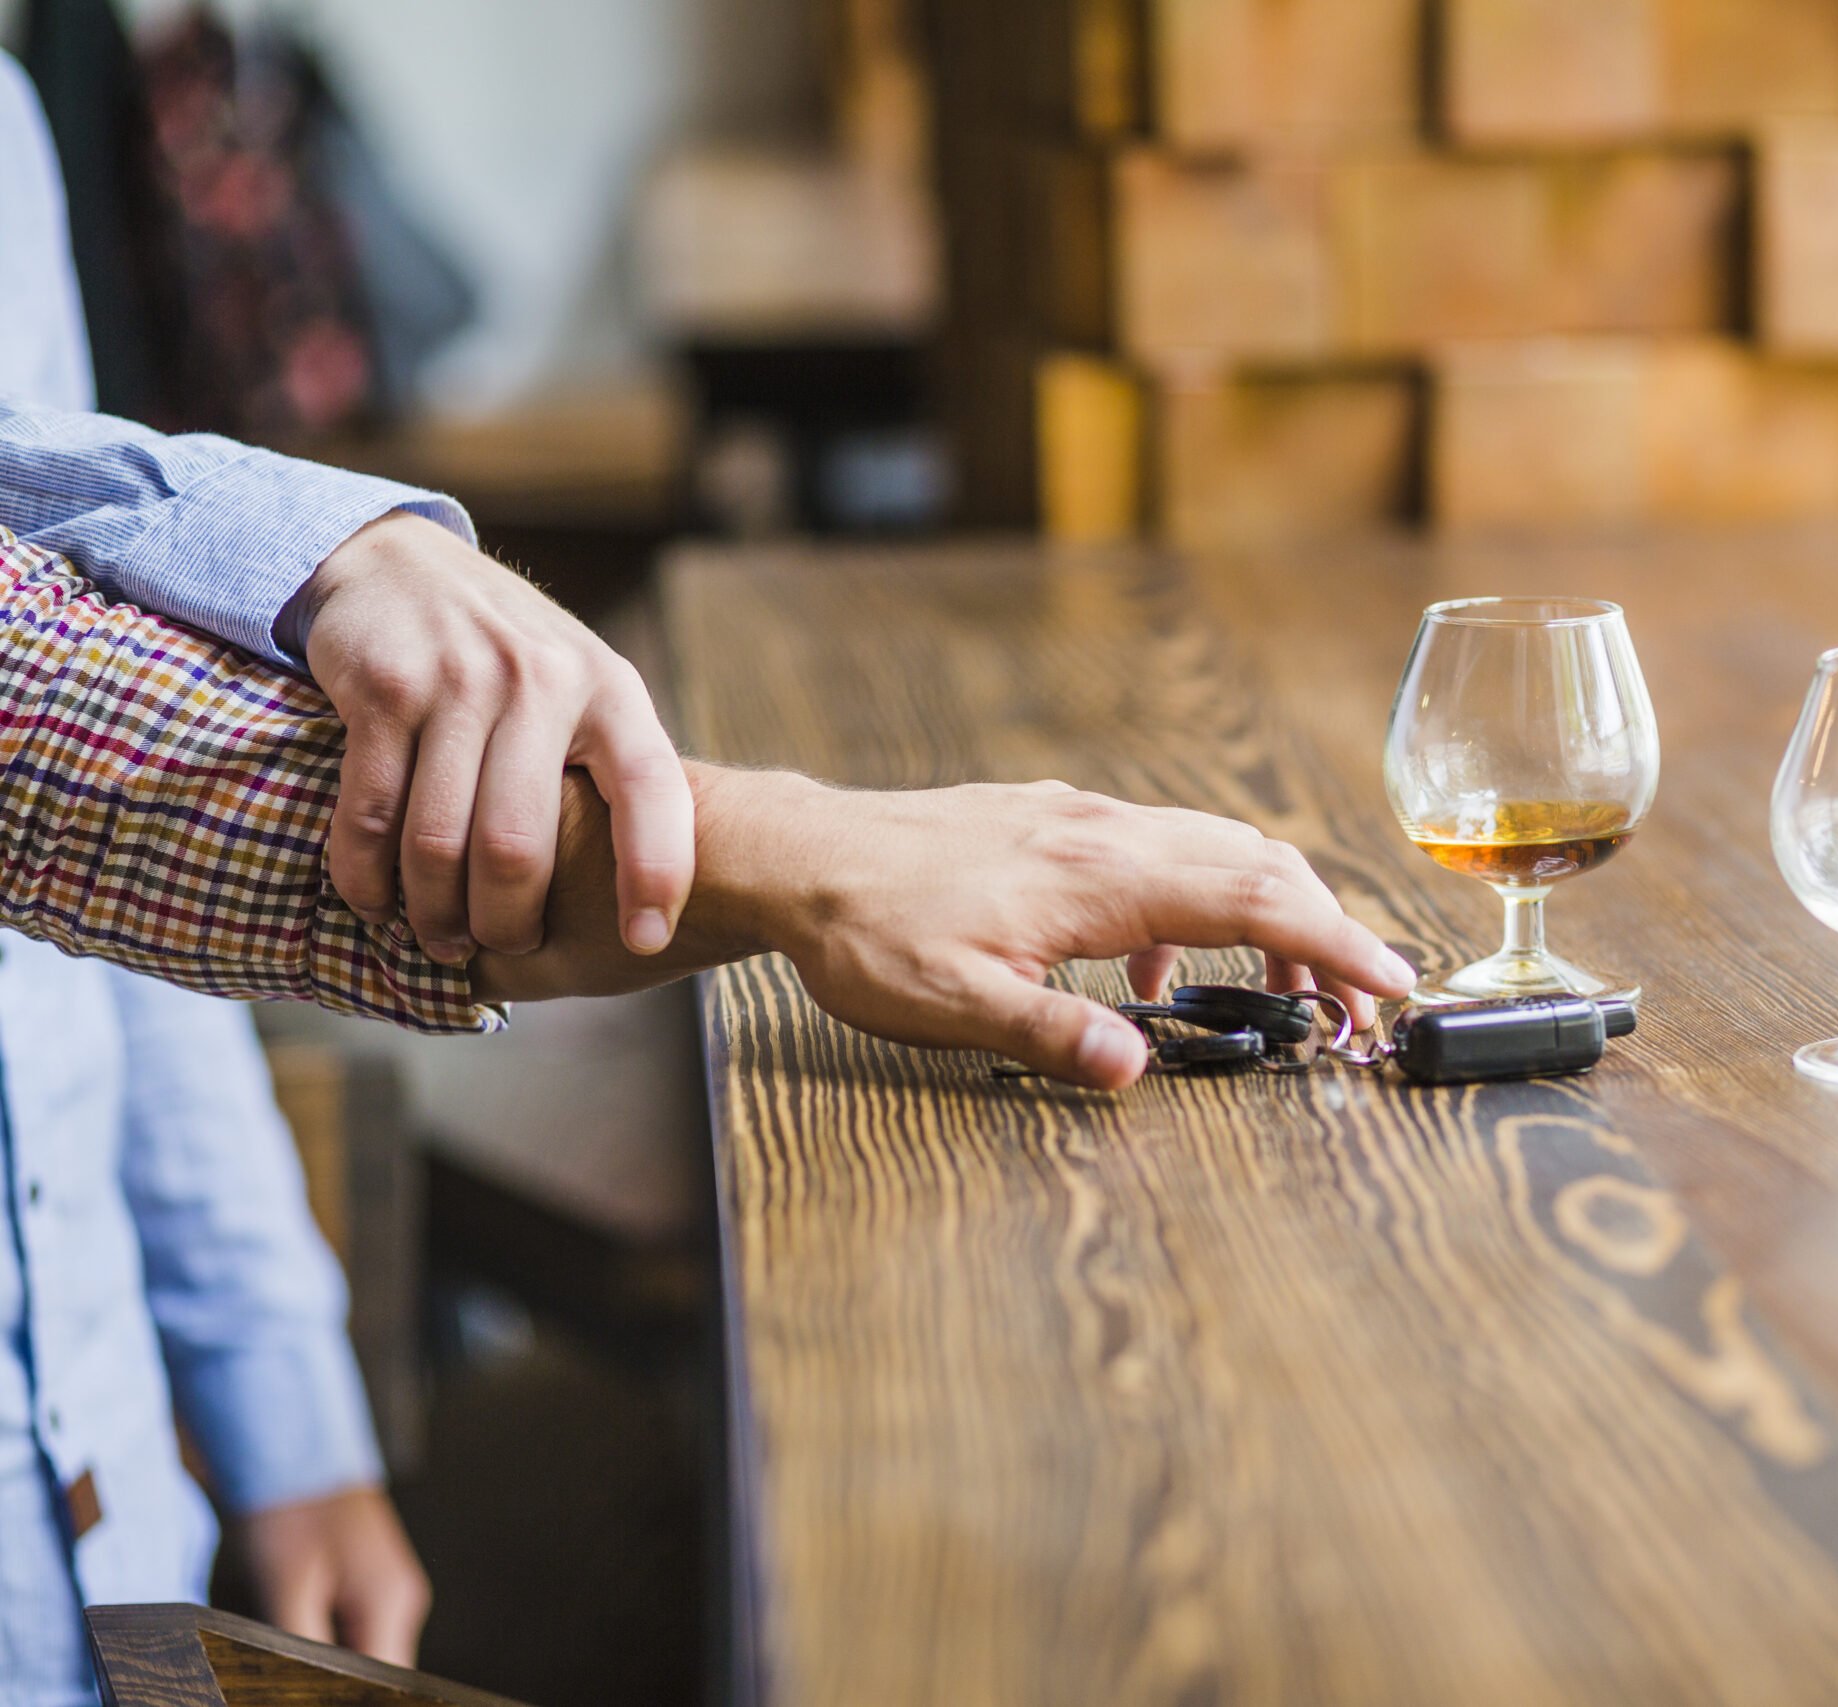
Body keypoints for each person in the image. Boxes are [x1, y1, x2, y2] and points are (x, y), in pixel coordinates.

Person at [0, 48, 1410, 1707]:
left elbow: (80, 938)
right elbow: (60, 771)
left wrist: (289, 1416)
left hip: (119, 1533)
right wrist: (801, 855)